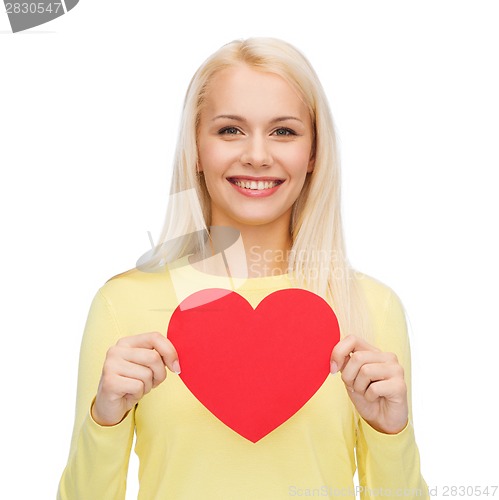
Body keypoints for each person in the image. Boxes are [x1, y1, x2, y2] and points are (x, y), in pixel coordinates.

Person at [57, 37, 429, 499]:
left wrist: (390, 433)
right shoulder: (124, 303)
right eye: (230, 130)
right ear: (196, 147)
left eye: (284, 132)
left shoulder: (371, 306)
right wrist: (106, 418)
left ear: (313, 153)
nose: (257, 154)